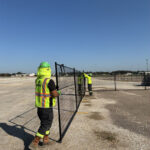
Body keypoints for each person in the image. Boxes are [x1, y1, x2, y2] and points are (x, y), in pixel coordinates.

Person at [30, 62, 61, 149]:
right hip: (46, 107)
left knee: (45, 124)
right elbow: (54, 94)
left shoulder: (38, 80)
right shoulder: (49, 81)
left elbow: (45, 91)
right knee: (46, 124)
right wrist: (58, 92)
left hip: (40, 107)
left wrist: (53, 88)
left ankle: (45, 140)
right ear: (48, 70)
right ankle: (34, 142)